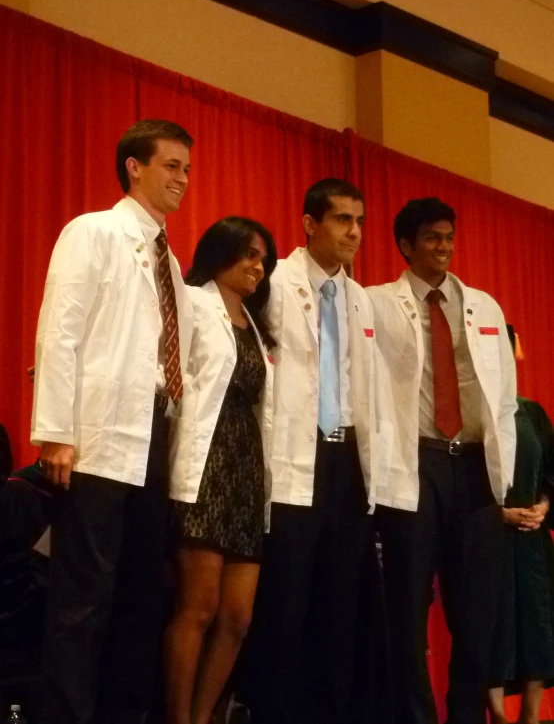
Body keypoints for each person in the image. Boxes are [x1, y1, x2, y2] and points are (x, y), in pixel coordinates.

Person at [31, 118, 194, 724]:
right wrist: (56, 431)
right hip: (96, 439)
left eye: (187, 168)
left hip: (154, 436)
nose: (183, 178)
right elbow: (60, 330)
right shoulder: (93, 231)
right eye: (172, 165)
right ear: (135, 165)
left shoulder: (170, 261)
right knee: (83, 600)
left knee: (140, 598)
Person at [238, 178, 399, 724]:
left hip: (346, 460)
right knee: (287, 600)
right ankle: (275, 712)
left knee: (340, 601)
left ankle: (331, 711)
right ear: (310, 224)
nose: (354, 232)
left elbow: (367, 386)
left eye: (359, 221)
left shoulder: (358, 296)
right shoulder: (273, 281)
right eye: (342, 220)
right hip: (292, 457)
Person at [366, 197, 517, 724]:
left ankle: (466, 717)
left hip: (474, 465)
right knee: (407, 607)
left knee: (477, 612)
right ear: (406, 246)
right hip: (416, 461)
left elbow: (504, 396)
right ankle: (414, 716)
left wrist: (506, 471)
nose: (444, 247)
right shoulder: (377, 303)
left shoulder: (484, 306)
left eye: (449, 237)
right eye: (432, 237)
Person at [164, 216, 277, 724]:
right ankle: (178, 717)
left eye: (263, 259)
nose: (258, 266)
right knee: (200, 608)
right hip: (206, 464)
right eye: (249, 255)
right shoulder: (193, 303)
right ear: (221, 253)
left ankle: (206, 714)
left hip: (247, 469)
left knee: (237, 617)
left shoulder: (255, 323)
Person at [487, 326, 554, 724]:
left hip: (532, 542)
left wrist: (544, 506)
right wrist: (497, 514)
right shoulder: (471, 412)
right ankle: (495, 715)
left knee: (538, 628)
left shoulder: (530, 411)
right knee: (492, 629)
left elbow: (551, 471)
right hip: (488, 538)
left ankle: (531, 716)